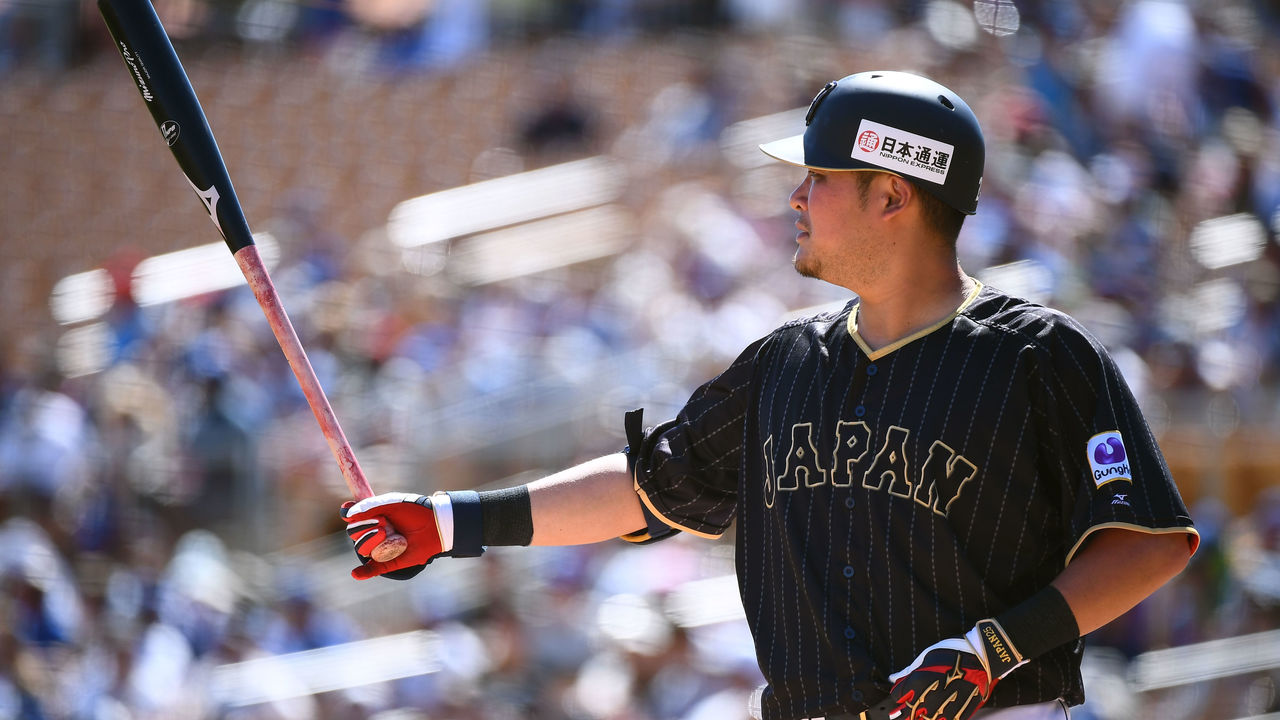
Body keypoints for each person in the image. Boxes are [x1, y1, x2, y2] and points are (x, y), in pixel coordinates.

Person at [340, 71, 1199, 720]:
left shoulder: (1039, 356)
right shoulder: (784, 360)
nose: (795, 196)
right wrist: (450, 523)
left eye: (818, 178)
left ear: (892, 192)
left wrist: (989, 651)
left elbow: (1150, 543)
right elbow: (652, 490)